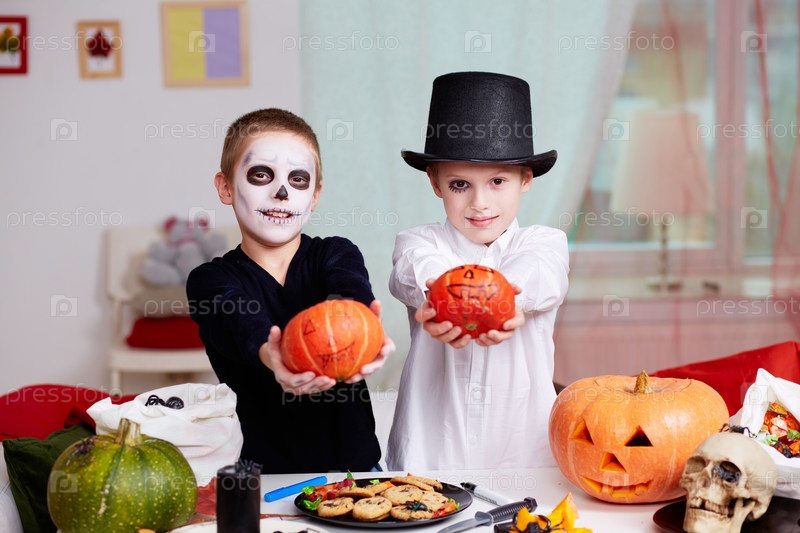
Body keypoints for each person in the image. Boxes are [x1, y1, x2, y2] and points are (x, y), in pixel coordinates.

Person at [186, 108, 394, 474]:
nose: (281, 192)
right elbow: (238, 319)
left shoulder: (336, 254)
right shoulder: (210, 280)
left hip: (358, 476)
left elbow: (349, 293)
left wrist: (362, 332)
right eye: (261, 174)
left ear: (314, 196)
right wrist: (274, 354)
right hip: (261, 482)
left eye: (298, 179)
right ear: (225, 187)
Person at [386, 71, 569, 470]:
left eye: (497, 181)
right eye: (459, 185)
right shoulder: (418, 242)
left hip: (524, 459)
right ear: (435, 183)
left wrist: (503, 302)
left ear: (526, 179)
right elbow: (415, 273)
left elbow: (539, 275)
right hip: (431, 458)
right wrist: (441, 300)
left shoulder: (544, 243)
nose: (480, 203)